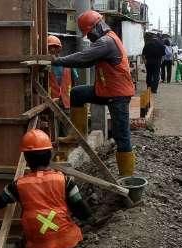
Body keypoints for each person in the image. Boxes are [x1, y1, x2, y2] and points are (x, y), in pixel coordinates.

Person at [0, 129, 91, 248]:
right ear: (50, 155)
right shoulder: (64, 180)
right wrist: (92, 220)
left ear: (26, 159)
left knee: (29, 243)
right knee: (69, 235)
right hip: (67, 242)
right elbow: (79, 207)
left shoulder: (17, 186)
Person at [52, 10, 136, 177]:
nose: (88, 37)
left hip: (117, 95)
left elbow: (83, 57)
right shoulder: (106, 40)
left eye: (88, 34)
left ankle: (127, 177)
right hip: (106, 90)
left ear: (96, 27)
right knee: (77, 94)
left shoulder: (106, 42)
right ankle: (77, 135)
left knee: (122, 137)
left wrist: (58, 61)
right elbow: (86, 61)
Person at [47, 35, 78, 111]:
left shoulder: (69, 64)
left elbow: (75, 83)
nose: (53, 49)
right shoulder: (44, 67)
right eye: (50, 47)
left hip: (66, 102)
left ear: (59, 49)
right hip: (51, 102)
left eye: (55, 47)